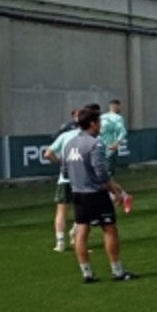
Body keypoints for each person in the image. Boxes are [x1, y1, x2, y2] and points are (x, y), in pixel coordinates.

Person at [62, 107, 136, 283]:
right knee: (110, 229)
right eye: (99, 122)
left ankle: (86, 273)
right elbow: (101, 174)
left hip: (78, 193)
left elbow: (65, 173)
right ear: (93, 123)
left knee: (81, 230)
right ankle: (117, 271)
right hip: (95, 193)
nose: (101, 126)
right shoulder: (96, 144)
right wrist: (115, 192)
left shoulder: (69, 144)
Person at [43, 123, 82, 251]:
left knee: (61, 211)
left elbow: (48, 154)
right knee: (81, 210)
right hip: (82, 179)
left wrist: (60, 163)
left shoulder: (64, 136)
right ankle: (75, 234)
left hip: (65, 178)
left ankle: (60, 242)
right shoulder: (86, 136)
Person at [99, 99, 133, 213]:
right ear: (115, 106)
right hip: (105, 151)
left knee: (105, 178)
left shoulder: (103, 117)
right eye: (119, 106)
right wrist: (117, 143)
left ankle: (116, 197)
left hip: (104, 152)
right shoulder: (116, 118)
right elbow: (123, 132)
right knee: (105, 179)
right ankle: (123, 196)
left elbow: (121, 132)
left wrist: (116, 143)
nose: (120, 109)